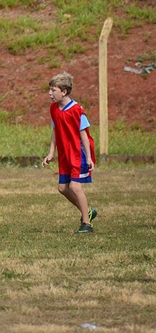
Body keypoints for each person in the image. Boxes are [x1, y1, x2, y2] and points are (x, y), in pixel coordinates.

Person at [42, 72, 98, 234]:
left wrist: (88, 157)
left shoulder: (76, 110)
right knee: (62, 188)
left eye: (53, 90)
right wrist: (51, 152)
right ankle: (88, 210)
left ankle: (86, 224)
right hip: (65, 154)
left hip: (78, 153)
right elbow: (55, 130)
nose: (50, 93)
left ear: (64, 92)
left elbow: (84, 136)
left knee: (74, 186)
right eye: (50, 90)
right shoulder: (54, 109)